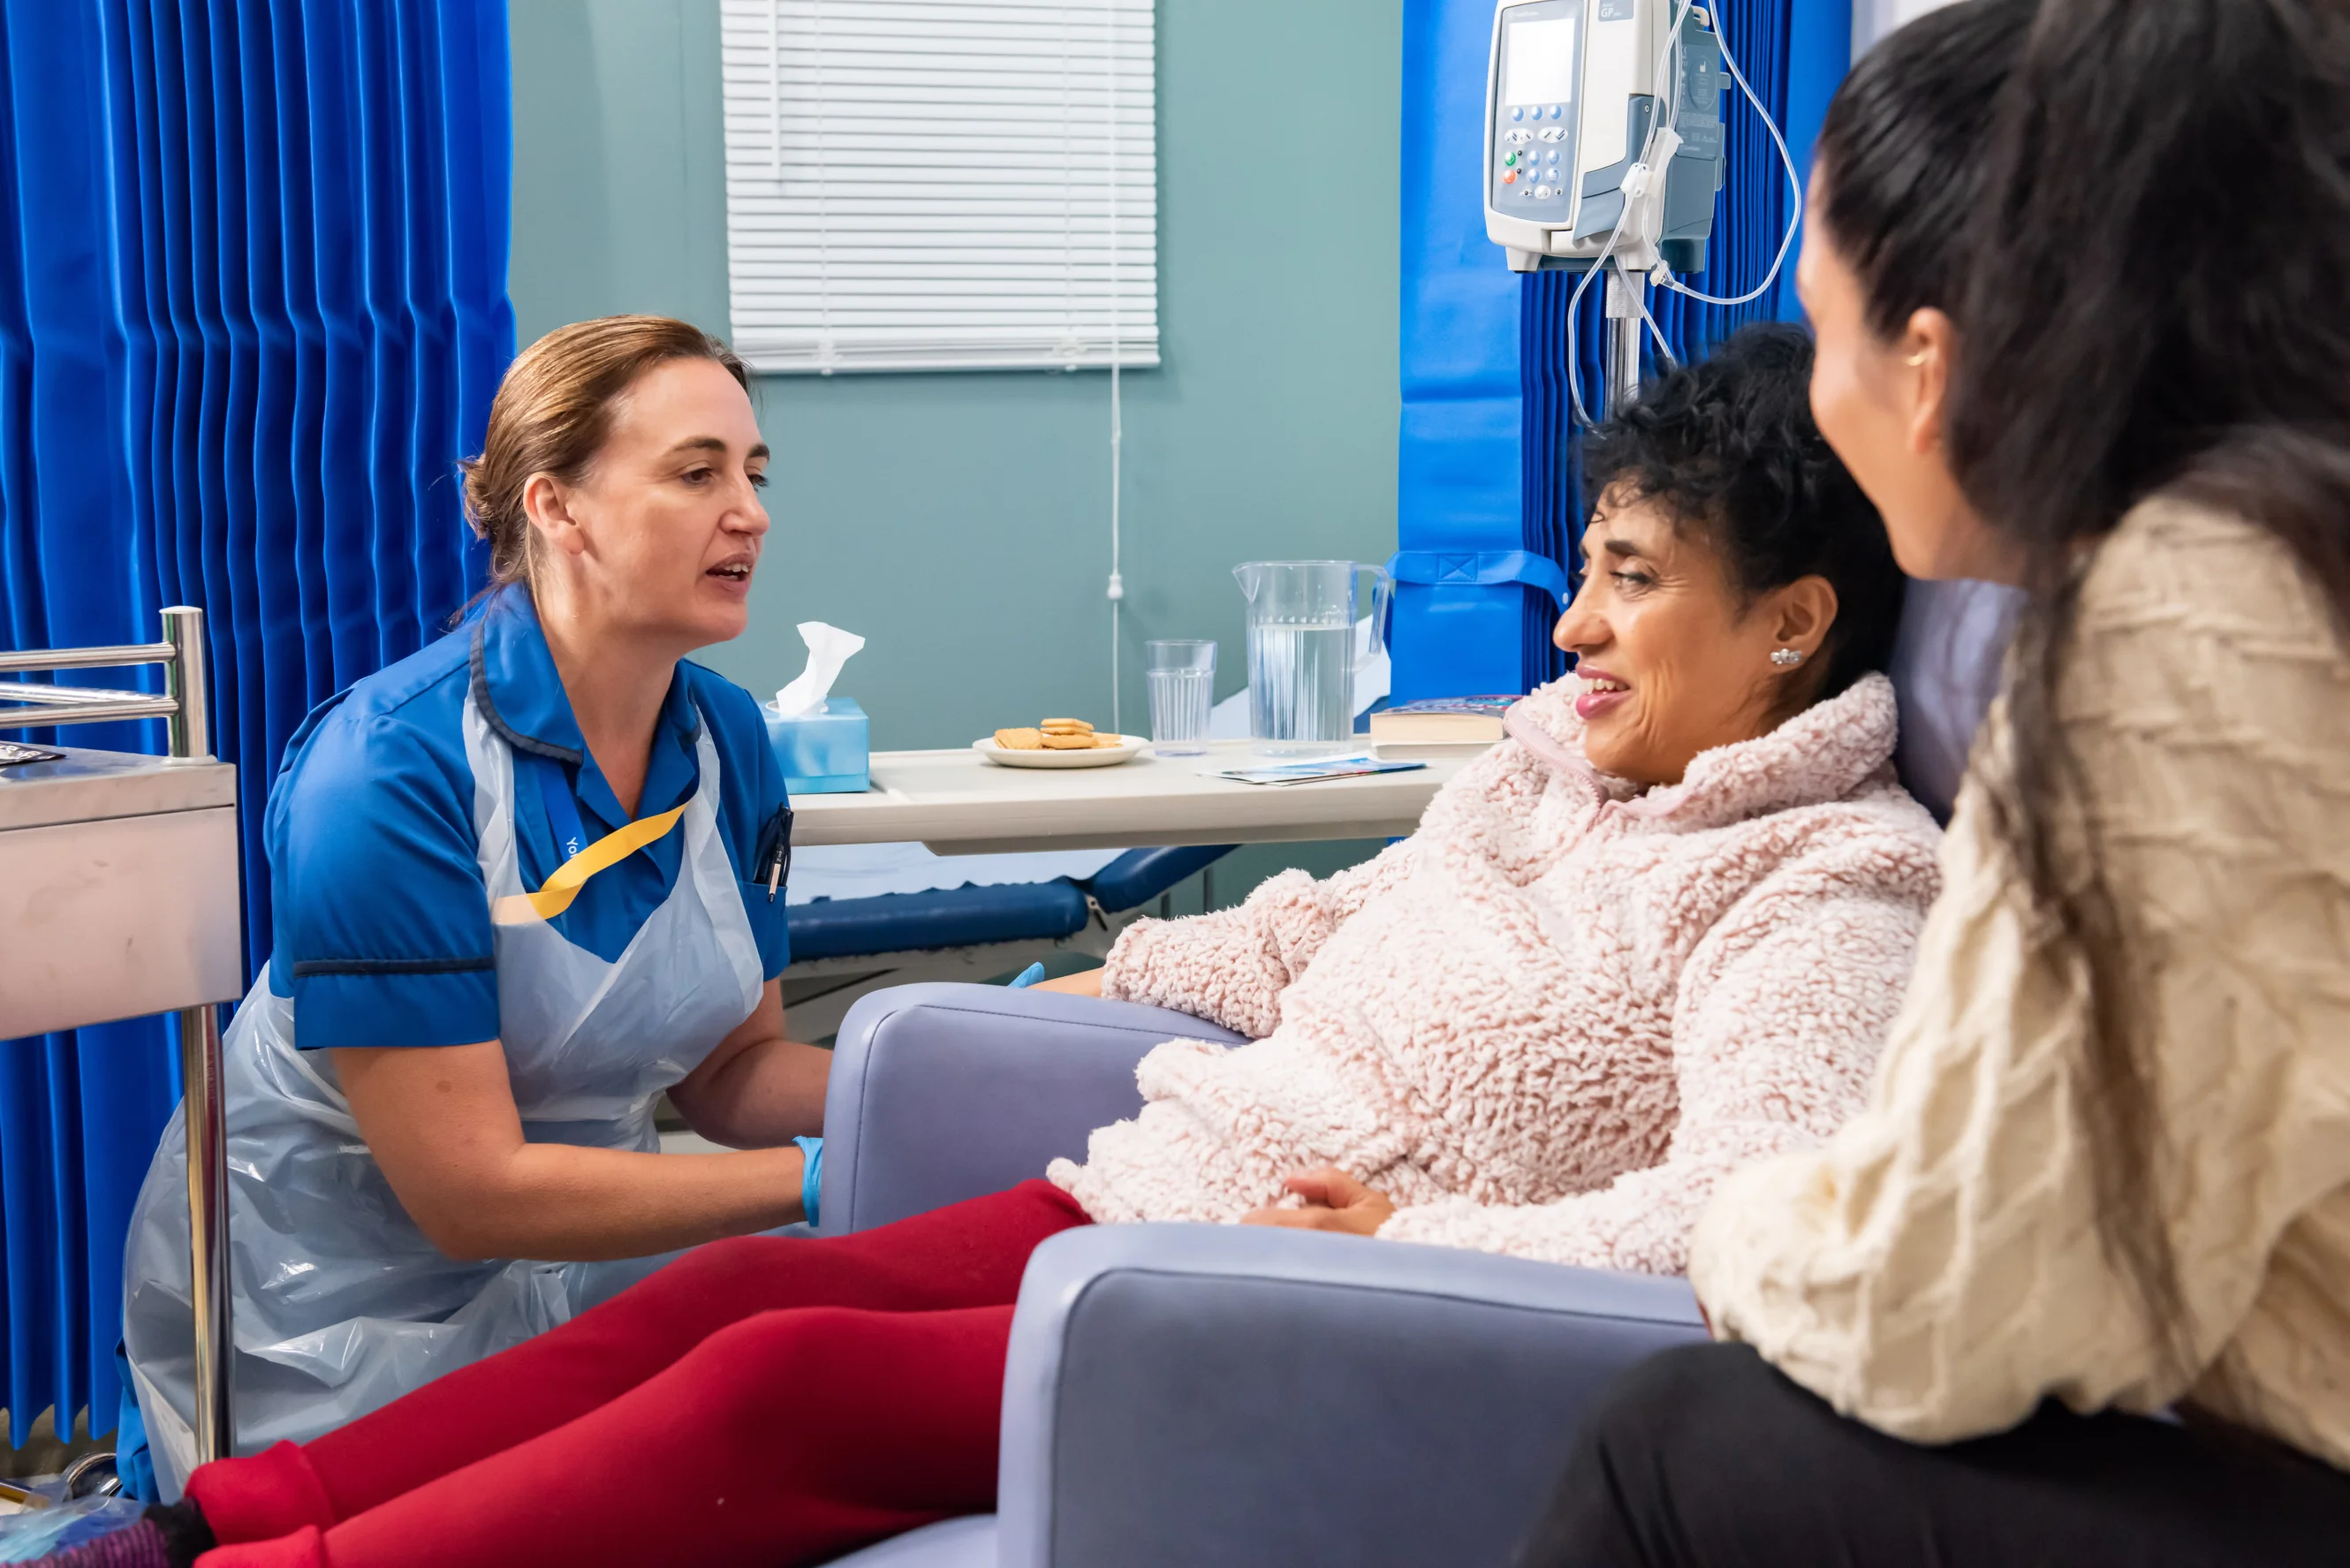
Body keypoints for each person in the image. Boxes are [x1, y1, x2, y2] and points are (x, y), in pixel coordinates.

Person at [71, 323, 1940, 1568]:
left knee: (768, 1378)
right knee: (729, 1300)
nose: (1572, 635)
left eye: (1633, 580)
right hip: (1163, 1181)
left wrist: (1419, 1237)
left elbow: (1755, 1207)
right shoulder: (1541, 783)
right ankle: (197, 1521)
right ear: (550, 508)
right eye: (696, 472)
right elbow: (1307, 929)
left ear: (1789, 622)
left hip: (1288, 1274)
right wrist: (1097, 985)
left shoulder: (1823, 884)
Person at [1524, 2, 2350, 1564]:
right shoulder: (2274, 549)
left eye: (1823, 331)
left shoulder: (2180, 628)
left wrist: (1737, 1228)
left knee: (1672, 1445)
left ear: (1929, 365)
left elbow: (1945, 1306)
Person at [119, 317, 831, 1497]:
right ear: (555, 506)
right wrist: (819, 1173)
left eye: (754, 474)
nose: (749, 510)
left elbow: (726, 1072)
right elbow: (469, 1191)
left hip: (585, 1272)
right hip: (327, 1321)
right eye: (697, 470)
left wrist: (929, 1072)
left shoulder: (727, 742)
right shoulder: (387, 771)